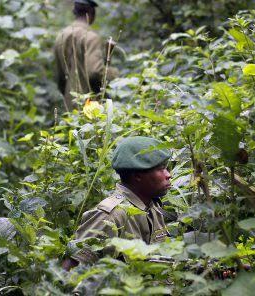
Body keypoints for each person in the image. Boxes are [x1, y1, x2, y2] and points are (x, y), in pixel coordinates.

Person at [62, 136, 172, 270]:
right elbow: (68, 273)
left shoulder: (153, 205)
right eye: (160, 169)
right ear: (137, 175)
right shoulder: (110, 215)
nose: (168, 175)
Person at [53, 0, 118, 112]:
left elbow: (60, 77)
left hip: (70, 104)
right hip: (91, 106)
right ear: (90, 11)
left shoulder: (61, 36)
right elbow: (94, 73)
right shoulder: (91, 37)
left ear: (75, 11)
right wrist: (114, 73)